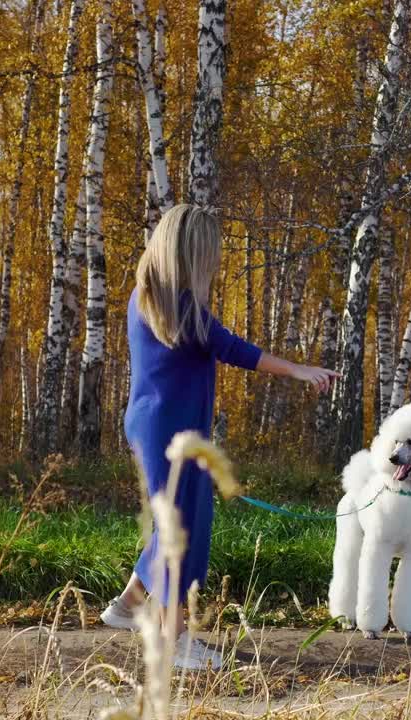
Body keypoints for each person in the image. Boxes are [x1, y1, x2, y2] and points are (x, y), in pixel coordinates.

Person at [99, 204, 338, 669]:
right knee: (181, 531)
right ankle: (175, 640)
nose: (216, 264)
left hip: (153, 425)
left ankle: (128, 605)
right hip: (173, 432)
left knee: (174, 519)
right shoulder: (184, 310)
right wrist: (298, 369)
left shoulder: (145, 298)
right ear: (190, 255)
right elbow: (234, 349)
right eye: (210, 256)